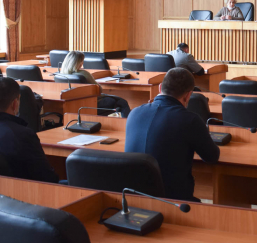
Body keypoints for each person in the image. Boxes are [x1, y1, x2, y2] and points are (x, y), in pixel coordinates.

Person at [125, 68, 220, 201]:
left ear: (160, 88)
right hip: (173, 201)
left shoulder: (134, 113)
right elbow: (211, 157)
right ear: (188, 95)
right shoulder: (190, 120)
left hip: (133, 197)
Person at [60, 50, 131, 117]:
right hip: (93, 103)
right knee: (122, 102)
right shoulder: (83, 73)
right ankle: (128, 126)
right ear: (78, 62)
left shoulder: (61, 75)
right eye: (82, 61)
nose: (83, 63)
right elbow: (99, 90)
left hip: (73, 105)